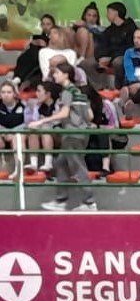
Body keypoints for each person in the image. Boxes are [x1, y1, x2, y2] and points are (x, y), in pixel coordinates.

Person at [33, 63, 97, 212]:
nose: (54, 76)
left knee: (78, 167)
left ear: (66, 75)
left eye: (57, 73)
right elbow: (90, 115)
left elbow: (64, 113)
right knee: (61, 163)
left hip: (72, 135)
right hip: (81, 134)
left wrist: (41, 121)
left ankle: (89, 202)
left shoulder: (68, 92)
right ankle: (61, 200)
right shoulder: (80, 92)